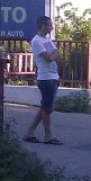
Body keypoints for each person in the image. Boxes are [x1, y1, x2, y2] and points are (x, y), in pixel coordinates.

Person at [24, 16, 62, 145]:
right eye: (50, 25)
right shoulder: (36, 41)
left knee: (45, 106)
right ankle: (48, 136)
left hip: (53, 76)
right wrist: (53, 54)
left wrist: (53, 54)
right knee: (47, 108)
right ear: (43, 26)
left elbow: (57, 53)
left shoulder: (48, 40)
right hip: (45, 78)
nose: (51, 28)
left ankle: (30, 132)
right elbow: (49, 58)